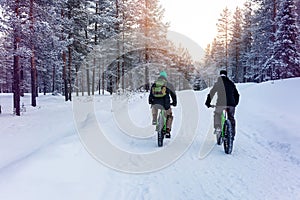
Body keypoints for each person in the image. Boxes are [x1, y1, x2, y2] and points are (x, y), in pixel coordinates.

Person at [205, 70, 240, 140]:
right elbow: (237, 95)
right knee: (231, 118)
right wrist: (234, 104)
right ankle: (232, 134)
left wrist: (208, 103)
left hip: (221, 103)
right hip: (231, 105)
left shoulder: (218, 83)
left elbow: (211, 93)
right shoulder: (231, 83)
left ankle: (218, 127)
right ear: (226, 75)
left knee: (217, 114)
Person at [149, 71, 177, 138]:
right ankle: (167, 130)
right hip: (166, 104)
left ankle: (154, 119)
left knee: (153, 107)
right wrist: (174, 103)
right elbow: (173, 95)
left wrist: (150, 102)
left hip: (156, 104)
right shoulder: (169, 84)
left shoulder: (155, 84)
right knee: (169, 115)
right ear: (165, 77)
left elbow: (151, 94)